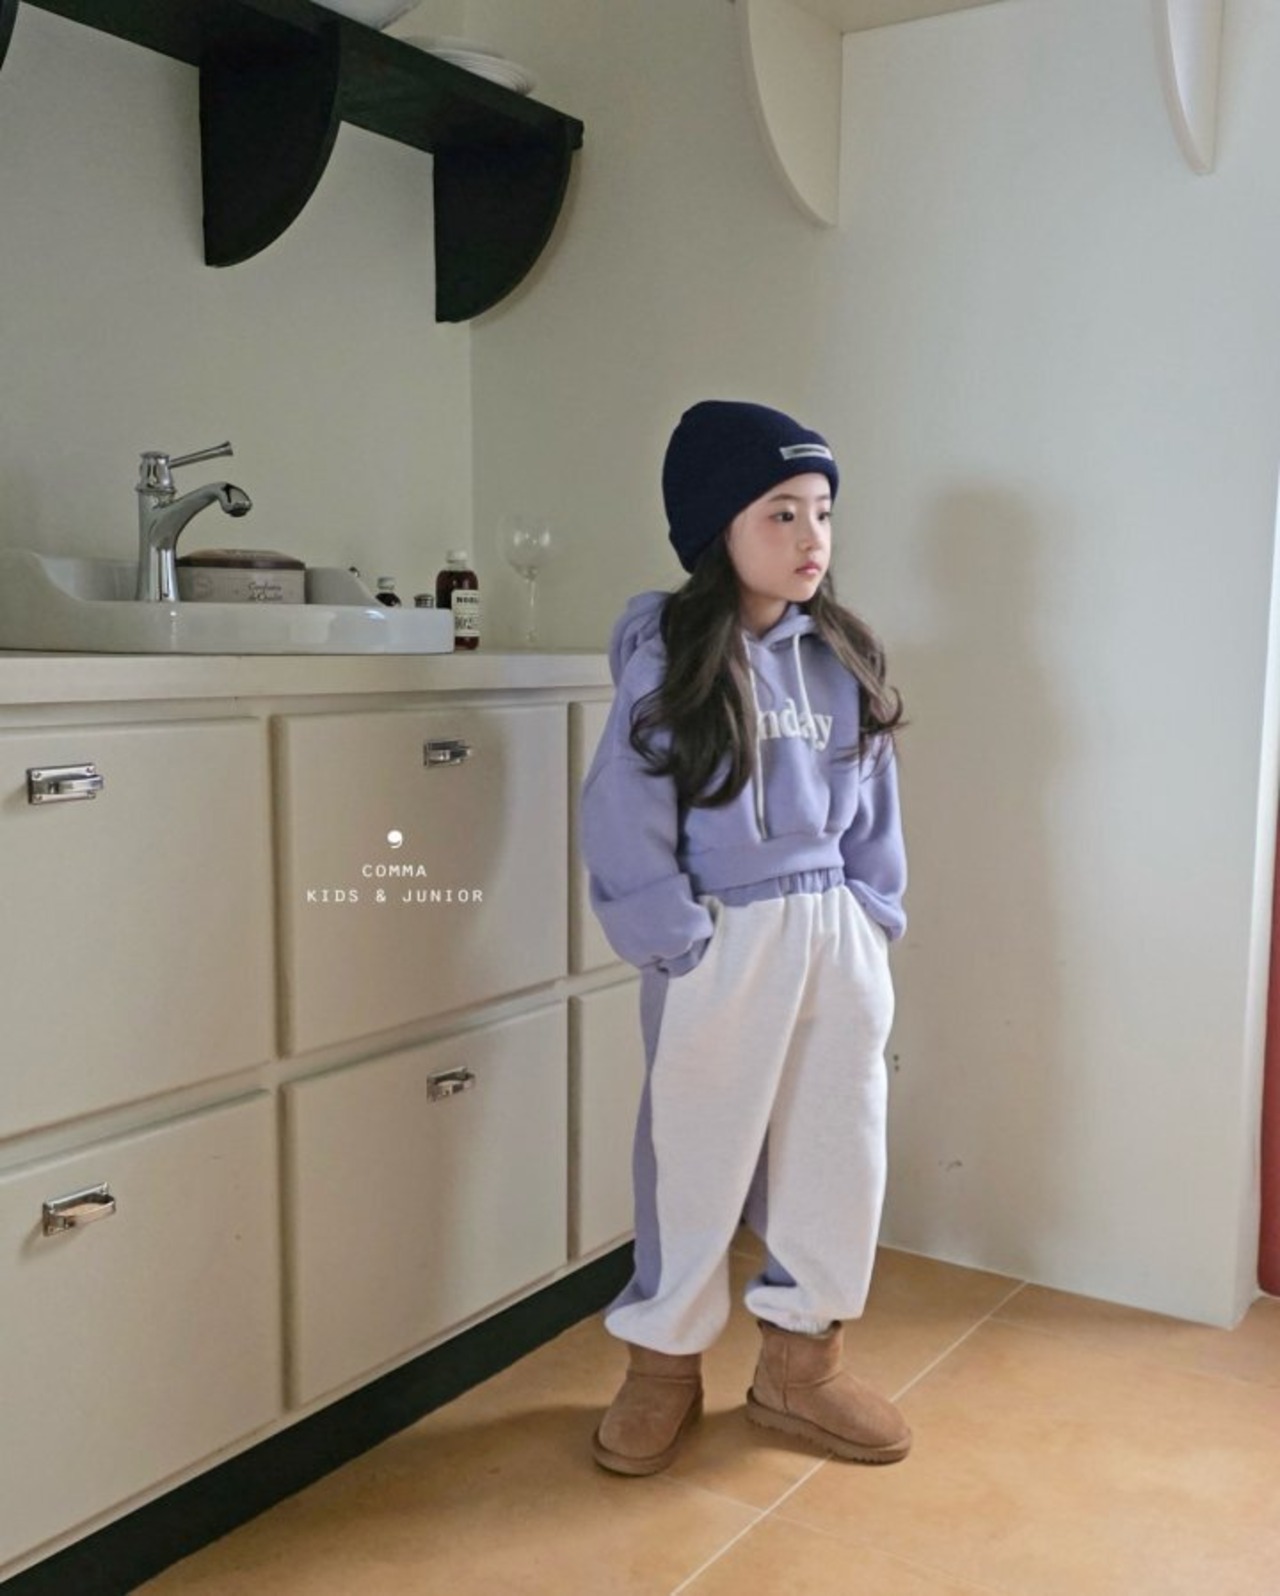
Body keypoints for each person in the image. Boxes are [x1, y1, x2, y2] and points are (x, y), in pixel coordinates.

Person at [579, 399, 910, 1476]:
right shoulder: (669, 657)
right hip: (722, 938)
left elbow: (875, 804)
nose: (813, 537)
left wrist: (872, 917)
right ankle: (661, 1366)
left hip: (833, 932)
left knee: (837, 1146)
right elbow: (623, 807)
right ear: (715, 529)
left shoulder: (843, 655)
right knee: (694, 1157)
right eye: (781, 512)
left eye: (822, 511)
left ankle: (800, 1365)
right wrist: (677, 940)